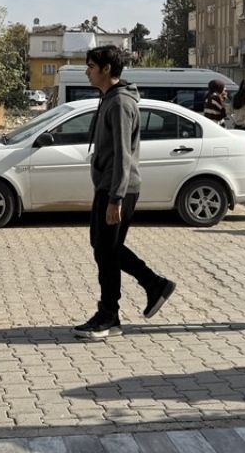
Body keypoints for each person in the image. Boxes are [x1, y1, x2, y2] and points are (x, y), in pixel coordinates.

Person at [73, 46, 175, 340]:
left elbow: (122, 155)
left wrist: (116, 198)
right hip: (108, 185)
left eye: (91, 66)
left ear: (106, 69)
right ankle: (153, 285)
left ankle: (110, 315)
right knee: (104, 247)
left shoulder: (120, 103)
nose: (87, 71)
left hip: (119, 187)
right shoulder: (109, 98)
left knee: (106, 251)